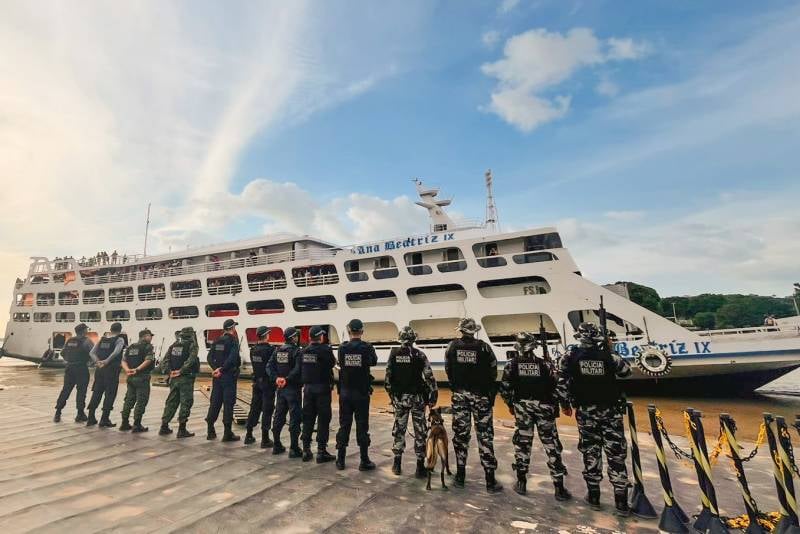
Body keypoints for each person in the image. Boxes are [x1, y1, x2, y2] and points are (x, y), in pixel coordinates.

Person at [558, 322, 632, 516]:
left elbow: (562, 382)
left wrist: (565, 405)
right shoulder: (609, 357)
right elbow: (626, 372)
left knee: (591, 452)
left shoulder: (570, 356)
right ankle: (621, 501)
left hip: (586, 411)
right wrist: (611, 349)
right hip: (610, 411)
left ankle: (594, 497)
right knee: (616, 454)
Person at [499, 331, 571, 500]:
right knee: (551, 446)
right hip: (544, 407)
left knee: (523, 444)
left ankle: (522, 482)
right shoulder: (545, 364)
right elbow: (559, 386)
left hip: (522, 408)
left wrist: (511, 405)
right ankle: (559, 488)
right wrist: (563, 404)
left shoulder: (512, 365)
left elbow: (504, 388)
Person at [445, 318, 503, 493]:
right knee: (485, 436)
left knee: (461, 435)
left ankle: (460, 475)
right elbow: (493, 370)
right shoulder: (484, 347)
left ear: (461, 331)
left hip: (460, 396)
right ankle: (490, 480)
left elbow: (448, 369)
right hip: (481, 397)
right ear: (474, 331)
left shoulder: (452, 347)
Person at [385, 325, 438, 478]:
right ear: (414, 339)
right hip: (418, 399)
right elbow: (429, 378)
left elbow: (388, 379)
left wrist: (393, 397)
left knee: (399, 430)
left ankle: (397, 463)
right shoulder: (419, 355)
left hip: (400, 399)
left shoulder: (393, 354)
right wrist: (432, 399)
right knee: (420, 431)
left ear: (400, 339)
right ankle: (420, 467)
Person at [335, 319, 378, 471]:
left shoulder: (342, 348)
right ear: (362, 331)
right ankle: (364, 460)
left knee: (344, 425)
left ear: (348, 331)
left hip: (345, 393)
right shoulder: (367, 347)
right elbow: (374, 362)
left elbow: (340, 362)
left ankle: (340, 460)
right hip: (361, 394)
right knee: (362, 427)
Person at [300, 325, 336, 463]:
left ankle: (306, 450)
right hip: (322, 390)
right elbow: (332, 363)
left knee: (308, 419)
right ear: (320, 336)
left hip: (308, 390)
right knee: (323, 420)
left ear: (310, 337)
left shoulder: (304, 351)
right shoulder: (325, 350)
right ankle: (321, 452)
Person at [159, 327, 200, 438]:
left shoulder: (174, 345)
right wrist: (181, 371)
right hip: (185, 378)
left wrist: (169, 372)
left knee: (171, 401)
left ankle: (164, 426)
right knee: (186, 402)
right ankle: (182, 429)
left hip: (174, 379)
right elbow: (191, 359)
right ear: (191, 334)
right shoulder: (192, 345)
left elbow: (165, 360)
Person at [268, 326, 303, 457]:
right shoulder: (297, 352)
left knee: (278, 416)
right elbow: (298, 369)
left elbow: (269, 366)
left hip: (281, 389)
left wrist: (277, 378)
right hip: (293, 389)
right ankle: (294, 448)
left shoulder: (277, 351)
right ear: (293, 337)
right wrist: (287, 379)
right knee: (295, 417)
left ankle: (276, 445)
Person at [206, 319, 241, 442]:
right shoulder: (233, 341)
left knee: (215, 402)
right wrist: (223, 369)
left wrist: (216, 369)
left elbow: (209, 357)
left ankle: (210, 430)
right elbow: (233, 358)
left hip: (217, 377)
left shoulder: (217, 340)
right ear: (232, 328)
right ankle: (227, 433)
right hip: (228, 376)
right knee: (228, 403)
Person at [87, 322, 127, 427]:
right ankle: (104, 419)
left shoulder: (102, 339)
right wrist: (106, 361)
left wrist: (98, 362)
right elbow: (116, 352)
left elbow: (91, 353)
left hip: (99, 370)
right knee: (110, 394)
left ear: (110, 329)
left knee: (96, 392)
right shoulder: (119, 339)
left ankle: (91, 417)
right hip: (112, 370)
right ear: (120, 330)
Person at [244, 326, 277, 448]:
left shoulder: (253, 350)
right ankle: (265, 438)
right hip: (267, 383)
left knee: (254, 408)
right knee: (267, 409)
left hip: (256, 382)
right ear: (267, 335)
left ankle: (248, 434)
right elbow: (272, 367)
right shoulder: (270, 350)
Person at [54, 323, 94, 422]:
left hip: (69, 368)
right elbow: (94, 353)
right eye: (86, 329)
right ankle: (80, 414)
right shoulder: (87, 341)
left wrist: (68, 361)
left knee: (66, 390)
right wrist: (90, 363)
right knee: (81, 391)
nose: (87, 331)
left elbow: (63, 353)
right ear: (84, 331)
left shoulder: (69, 340)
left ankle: (58, 412)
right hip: (81, 368)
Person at [119, 329, 155, 432]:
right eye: (150, 336)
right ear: (144, 336)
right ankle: (137, 424)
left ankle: (124, 423)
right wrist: (137, 369)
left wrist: (127, 370)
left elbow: (123, 360)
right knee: (141, 401)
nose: (151, 338)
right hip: (142, 377)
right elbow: (148, 360)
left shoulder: (131, 347)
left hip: (130, 377)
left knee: (129, 400)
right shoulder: (147, 346)